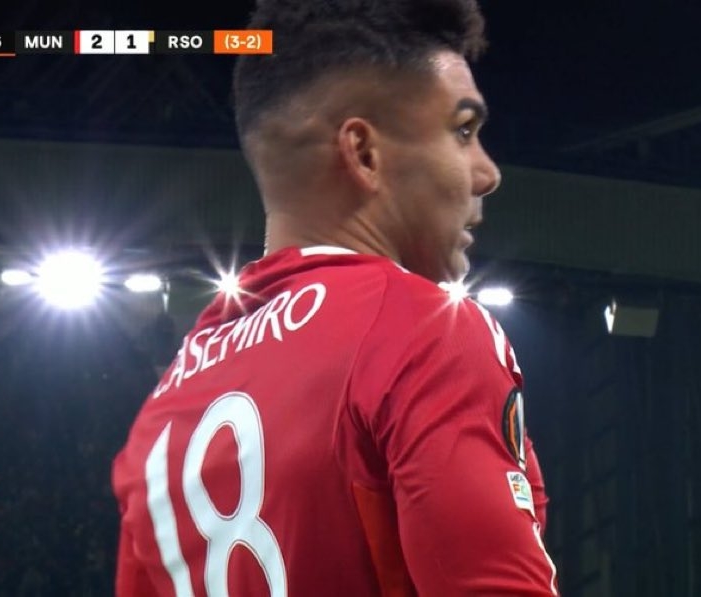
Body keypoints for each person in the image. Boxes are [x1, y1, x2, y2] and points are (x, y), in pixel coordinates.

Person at [111, 0, 558, 594]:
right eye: (463, 131)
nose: (486, 172)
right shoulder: (422, 331)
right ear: (365, 154)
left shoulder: (165, 408)